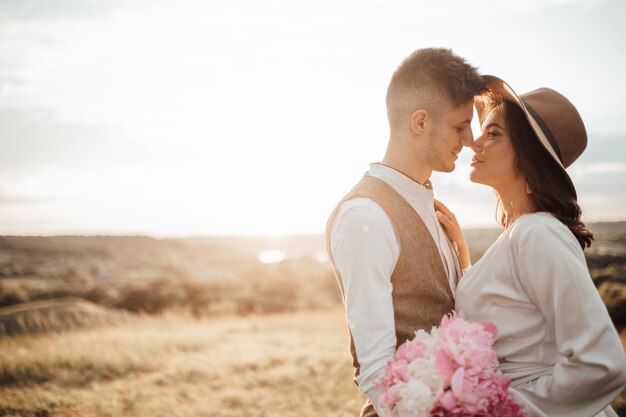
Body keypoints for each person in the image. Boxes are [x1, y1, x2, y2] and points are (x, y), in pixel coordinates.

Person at [436, 75, 626, 417]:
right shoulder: (521, 234)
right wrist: (463, 257)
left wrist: (496, 409)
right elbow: (513, 314)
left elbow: (602, 364)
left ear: (528, 157)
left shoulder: (537, 233)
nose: (474, 143)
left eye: (493, 134)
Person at [325, 48, 485, 417]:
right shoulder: (365, 215)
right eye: (460, 126)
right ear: (419, 122)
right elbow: (377, 370)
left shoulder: (431, 206)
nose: (470, 139)